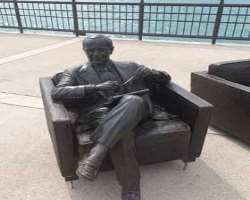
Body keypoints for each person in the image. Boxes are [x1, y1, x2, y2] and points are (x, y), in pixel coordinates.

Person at [51, 35, 171, 200]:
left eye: (101, 50)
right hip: (101, 115)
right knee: (122, 134)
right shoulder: (74, 72)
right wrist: (94, 88)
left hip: (137, 111)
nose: (95, 55)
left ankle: (94, 156)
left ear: (111, 50)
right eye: (90, 51)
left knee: (132, 100)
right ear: (84, 51)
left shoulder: (130, 66)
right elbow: (57, 93)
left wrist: (152, 72)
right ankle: (131, 190)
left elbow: (165, 79)